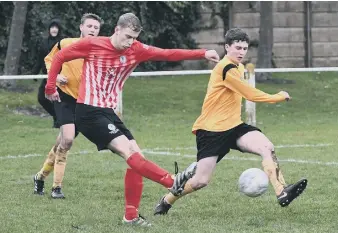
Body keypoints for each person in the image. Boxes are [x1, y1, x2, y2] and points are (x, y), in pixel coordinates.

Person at [44, 12, 220, 227]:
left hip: (107, 112)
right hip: (88, 112)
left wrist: (203, 53)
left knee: (137, 158)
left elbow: (168, 54)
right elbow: (60, 57)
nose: (130, 42)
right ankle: (172, 182)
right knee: (128, 153)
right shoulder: (92, 44)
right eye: (127, 36)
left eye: (134, 38)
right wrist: (50, 86)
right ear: (116, 30)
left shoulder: (136, 49)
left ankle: (130, 216)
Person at [154, 28, 308, 216]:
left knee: (266, 147)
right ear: (227, 47)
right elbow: (250, 94)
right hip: (212, 131)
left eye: (245, 48)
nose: (242, 52)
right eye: (237, 47)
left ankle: (281, 191)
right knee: (200, 181)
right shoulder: (225, 68)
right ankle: (166, 201)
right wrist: (278, 96)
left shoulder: (239, 67)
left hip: (234, 126)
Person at [33, 13, 103, 199]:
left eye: (96, 28)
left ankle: (40, 177)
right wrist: (55, 77)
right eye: (89, 26)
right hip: (63, 98)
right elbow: (49, 60)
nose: (92, 30)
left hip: (84, 102)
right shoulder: (65, 43)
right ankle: (56, 188)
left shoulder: (101, 51)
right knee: (68, 140)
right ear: (81, 27)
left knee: (61, 142)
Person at [32, 18, 63, 128]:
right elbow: (40, 59)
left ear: (59, 29)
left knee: (57, 99)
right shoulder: (44, 42)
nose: (54, 29)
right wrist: (35, 73)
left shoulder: (62, 42)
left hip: (59, 76)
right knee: (41, 98)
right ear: (49, 29)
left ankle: (60, 120)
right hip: (47, 76)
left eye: (56, 27)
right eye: (52, 27)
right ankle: (56, 116)